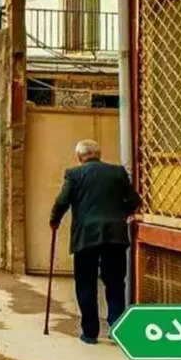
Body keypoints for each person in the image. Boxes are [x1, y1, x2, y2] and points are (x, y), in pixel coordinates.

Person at [50, 139, 141, 345]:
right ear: (98, 154)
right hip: (115, 236)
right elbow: (134, 201)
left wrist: (54, 221)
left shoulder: (74, 174)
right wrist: (120, 215)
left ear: (79, 157)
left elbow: (63, 201)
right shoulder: (117, 172)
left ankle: (90, 332)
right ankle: (117, 330)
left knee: (86, 283)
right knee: (115, 282)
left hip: (86, 237)